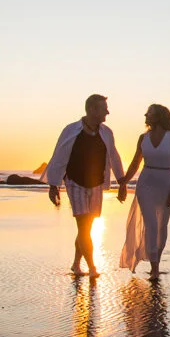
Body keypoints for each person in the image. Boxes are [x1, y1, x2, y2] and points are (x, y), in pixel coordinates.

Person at [44, 94, 126, 277]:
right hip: (75, 183)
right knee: (83, 225)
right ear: (92, 110)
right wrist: (53, 185)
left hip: (96, 184)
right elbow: (59, 156)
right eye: (104, 108)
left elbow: (114, 156)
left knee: (86, 227)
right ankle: (92, 267)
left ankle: (75, 264)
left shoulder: (106, 132)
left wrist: (121, 182)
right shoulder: (71, 130)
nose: (107, 112)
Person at [117, 104, 170, 278]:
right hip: (145, 184)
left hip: (165, 183)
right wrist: (123, 182)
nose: (145, 115)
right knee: (151, 224)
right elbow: (135, 163)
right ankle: (154, 268)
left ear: (159, 116)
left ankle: (156, 259)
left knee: (161, 226)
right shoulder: (142, 138)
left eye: (149, 113)